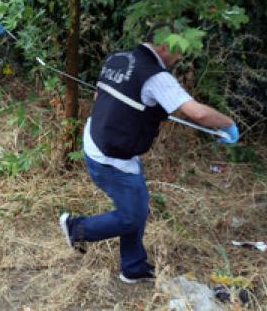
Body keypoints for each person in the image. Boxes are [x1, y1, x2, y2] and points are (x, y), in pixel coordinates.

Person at [59, 25, 240, 283]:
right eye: (180, 53)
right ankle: (77, 229)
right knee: (132, 216)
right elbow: (197, 113)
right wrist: (228, 123)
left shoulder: (118, 58)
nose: (180, 59)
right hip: (111, 157)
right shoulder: (156, 77)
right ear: (165, 46)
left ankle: (133, 267)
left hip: (98, 141)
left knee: (137, 203)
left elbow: (100, 95)